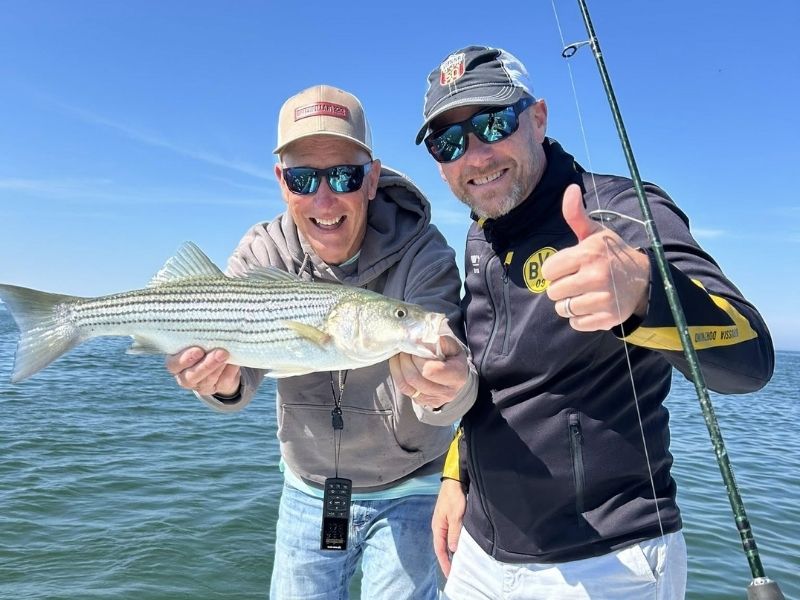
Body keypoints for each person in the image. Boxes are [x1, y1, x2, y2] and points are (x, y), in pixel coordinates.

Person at [415, 46, 775, 599]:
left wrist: (645, 293)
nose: (475, 155)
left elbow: (751, 360)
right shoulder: (480, 235)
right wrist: (453, 473)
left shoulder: (622, 209)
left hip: (609, 563)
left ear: (537, 118)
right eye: (449, 142)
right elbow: (491, 376)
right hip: (481, 553)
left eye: (491, 123)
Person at [167, 84, 478, 599]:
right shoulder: (263, 250)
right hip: (310, 488)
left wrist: (447, 387)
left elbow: (454, 378)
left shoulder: (424, 253)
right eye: (303, 178)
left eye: (343, 175)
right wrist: (216, 384)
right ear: (281, 183)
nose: (324, 197)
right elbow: (238, 376)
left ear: (372, 178)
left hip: (412, 486)